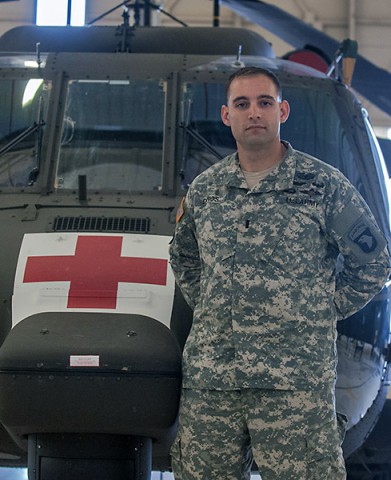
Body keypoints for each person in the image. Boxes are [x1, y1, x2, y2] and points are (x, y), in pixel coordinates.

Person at [169, 66, 390, 480]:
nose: (254, 112)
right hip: (214, 380)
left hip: (294, 384)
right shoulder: (205, 190)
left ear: (282, 111)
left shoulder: (323, 186)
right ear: (226, 115)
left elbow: (374, 262)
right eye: (242, 104)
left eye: (264, 102)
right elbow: (184, 258)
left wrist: (321, 308)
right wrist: (216, 307)